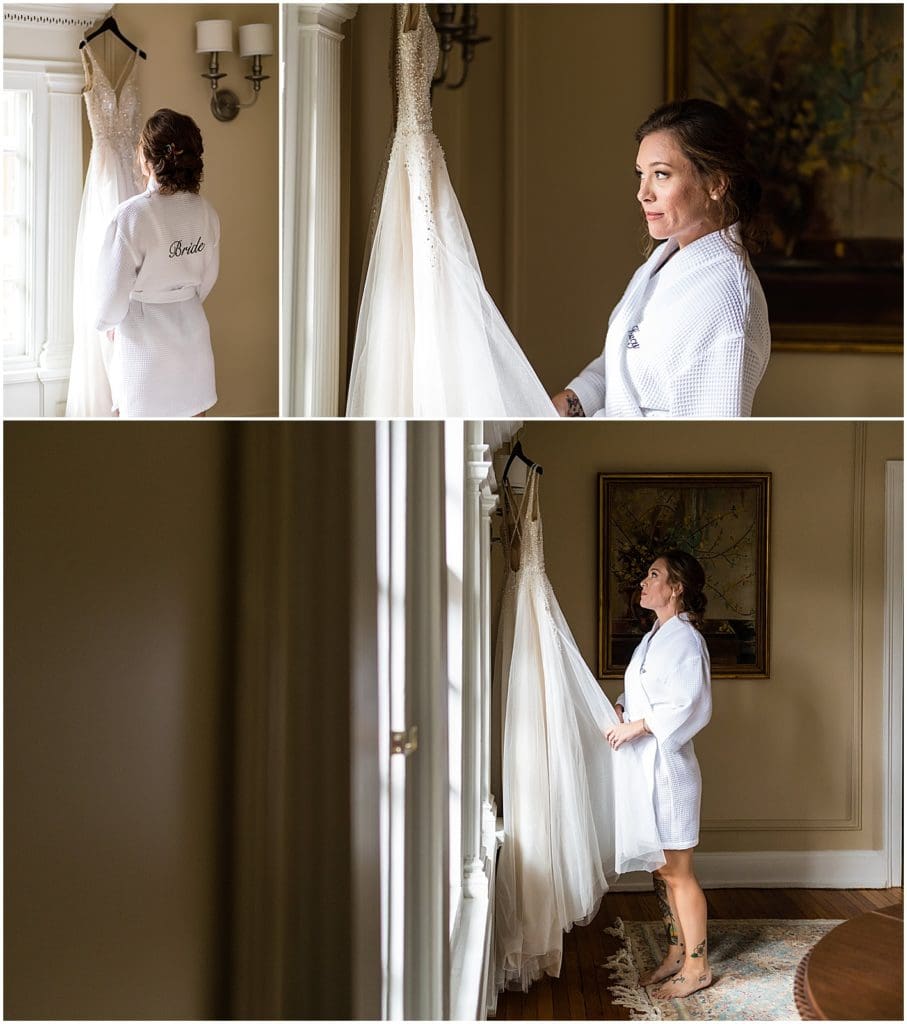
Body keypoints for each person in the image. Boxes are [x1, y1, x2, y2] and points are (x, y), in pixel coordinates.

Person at [553, 99, 770, 418]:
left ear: (715, 184)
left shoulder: (727, 303)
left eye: (662, 174)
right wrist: (566, 404)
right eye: (641, 174)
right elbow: (618, 368)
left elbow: (709, 442)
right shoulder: (663, 261)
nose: (644, 193)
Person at [604, 551, 713, 999]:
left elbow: (689, 703)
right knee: (660, 869)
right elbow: (645, 693)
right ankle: (675, 951)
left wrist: (640, 725)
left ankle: (698, 966)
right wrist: (621, 708)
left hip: (670, 773)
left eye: (654, 575)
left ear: (676, 588)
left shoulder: (685, 639)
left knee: (679, 872)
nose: (644, 582)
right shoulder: (654, 637)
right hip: (647, 769)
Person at [95, 109, 220, 417]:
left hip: (144, 345)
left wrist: (107, 324)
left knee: (144, 443)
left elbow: (111, 295)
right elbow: (207, 279)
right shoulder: (206, 212)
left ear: (147, 159)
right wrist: (178, 297)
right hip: (192, 336)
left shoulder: (132, 216)